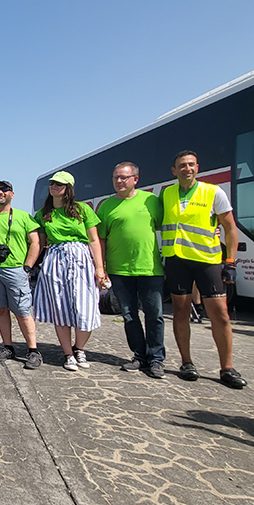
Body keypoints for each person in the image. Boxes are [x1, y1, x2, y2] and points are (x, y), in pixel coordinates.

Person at [162, 150, 246, 389]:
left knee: (220, 314)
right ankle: (186, 363)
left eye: (191, 164)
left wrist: (230, 261)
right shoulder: (166, 193)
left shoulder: (213, 192)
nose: (187, 168)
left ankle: (227, 368)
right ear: (174, 170)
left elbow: (230, 228)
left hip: (207, 261)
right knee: (180, 313)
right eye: (182, 165)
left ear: (197, 168)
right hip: (177, 259)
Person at [97, 162, 166, 379]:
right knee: (129, 315)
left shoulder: (151, 200)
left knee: (154, 315)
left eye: (123, 177)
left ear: (135, 179)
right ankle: (140, 356)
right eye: (116, 177)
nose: (119, 181)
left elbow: (167, 226)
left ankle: (156, 359)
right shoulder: (106, 206)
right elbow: (101, 239)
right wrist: (102, 267)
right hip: (120, 271)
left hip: (149, 268)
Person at [33, 171, 106, 371]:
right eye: (52, 183)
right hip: (55, 259)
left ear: (68, 188)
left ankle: (79, 348)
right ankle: (68, 354)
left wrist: (100, 268)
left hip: (81, 258)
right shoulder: (43, 214)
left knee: (86, 308)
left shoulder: (83, 210)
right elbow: (39, 243)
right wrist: (29, 265)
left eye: (60, 184)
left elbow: (93, 240)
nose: (54, 186)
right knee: (60, 309)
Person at [0, 180, 43, 370]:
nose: (0, 193)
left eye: (5, 190)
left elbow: (35, 242)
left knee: (22, 311)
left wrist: (28, 266)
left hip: (15, 269)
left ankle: (33, 351)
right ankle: (7, 347)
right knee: (1, 309)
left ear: (12, 194)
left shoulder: (23, 217)